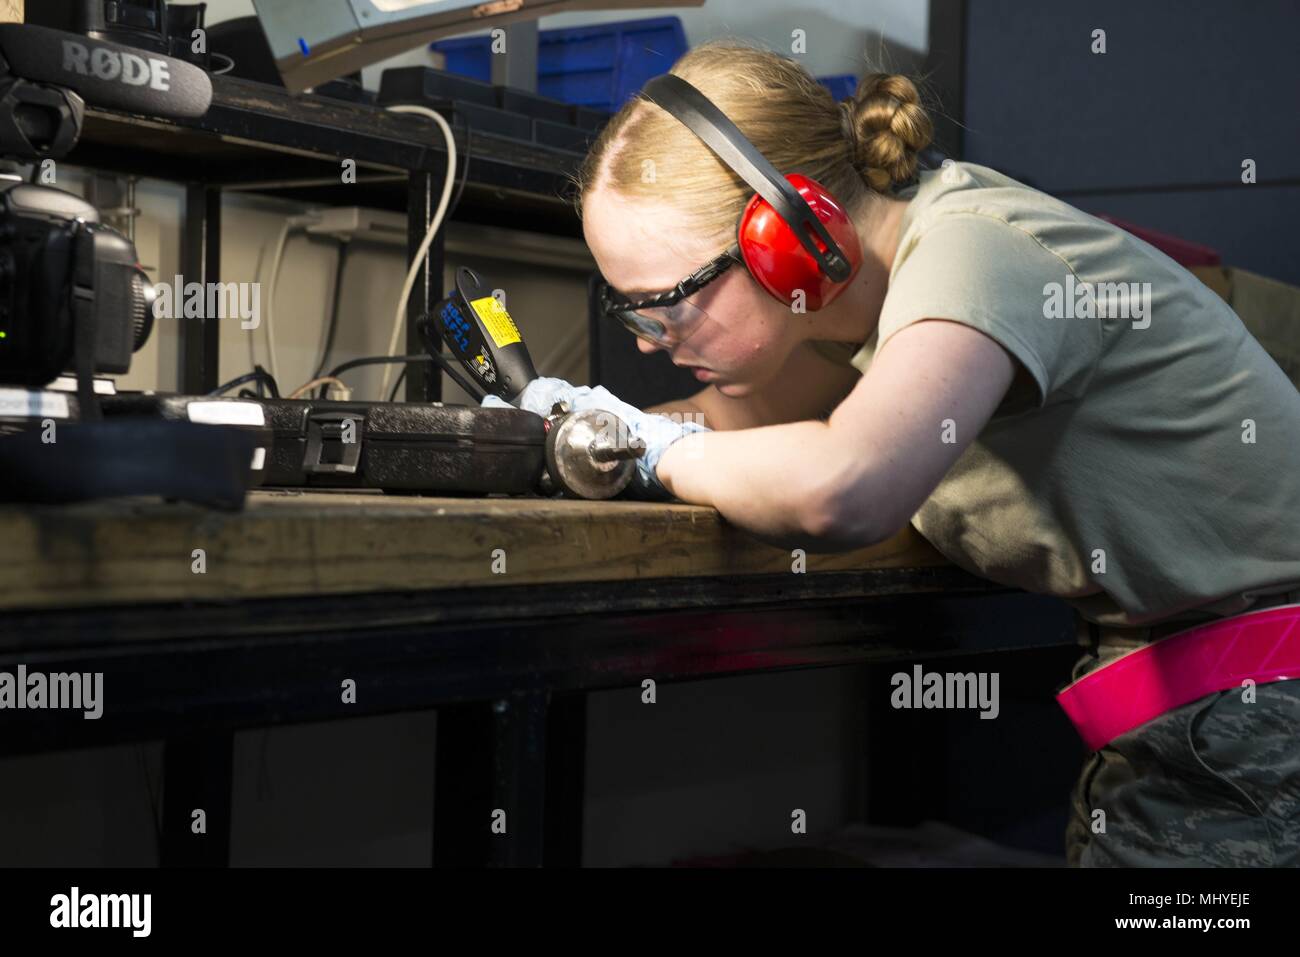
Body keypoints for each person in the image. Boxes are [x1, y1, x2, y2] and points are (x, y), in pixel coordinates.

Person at [483, 41, 1300, 866]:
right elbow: (725, 425)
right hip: (1194, 710)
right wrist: (563, 432)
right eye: (634, 316)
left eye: (667, 307)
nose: (654, 344)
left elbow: (847, 484)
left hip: (1259, 722)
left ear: (784, 238)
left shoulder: (974, 251)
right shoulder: (856, 303)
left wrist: (646, 451)